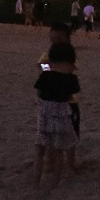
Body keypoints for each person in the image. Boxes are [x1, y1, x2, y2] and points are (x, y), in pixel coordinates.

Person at [35, 40, 82, 187]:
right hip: (61, 119)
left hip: (44, 118)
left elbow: (39, 93)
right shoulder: (71, 79)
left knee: (40, 152)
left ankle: (35, 181)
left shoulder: (46, 76)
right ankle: (55, 183)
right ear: (70, 62)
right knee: (59, 152)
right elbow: (72, 97)